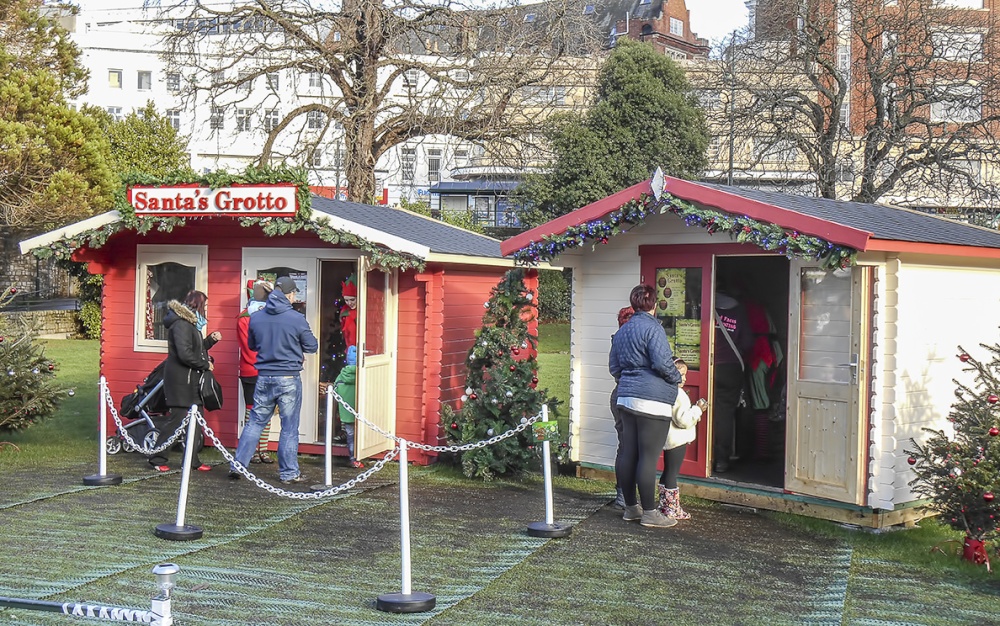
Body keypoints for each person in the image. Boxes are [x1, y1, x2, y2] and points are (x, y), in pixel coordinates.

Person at [608, 284, 683, 529]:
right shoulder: (654, 329)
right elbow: (662, 363)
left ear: (634, 303)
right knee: (648, 458)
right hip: (653, 401)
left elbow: (615, 368)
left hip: (626, 399)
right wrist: (677, 377)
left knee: (628, 453)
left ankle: (631, 508)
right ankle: (650, 513)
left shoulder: (622, 332)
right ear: (653, 304)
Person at [231, 276, 318, 484]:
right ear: (289, 294)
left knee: (254, 422)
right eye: (294, 293)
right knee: (289, 427)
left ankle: (237, 465)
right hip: (288, 377)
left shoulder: (257, 318)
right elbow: (312, 346)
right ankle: (288, 473)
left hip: (263, 377)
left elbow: (252, 345)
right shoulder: (296, 318)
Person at [150, 290, 220, 473]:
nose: (206, 309)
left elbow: (195, 349)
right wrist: (205, 365)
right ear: (197, 305)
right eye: (205, 305)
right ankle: (157, 458)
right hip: (181, 382)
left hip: (191, 380)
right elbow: (184, 354)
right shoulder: (181, 325)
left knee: (197, 421)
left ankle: (191, 460)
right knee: (176, 420)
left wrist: (210, 341)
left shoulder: (190, 324)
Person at [658, 358, 707, 520]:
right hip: (677, 439)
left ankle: (664, 505)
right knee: (672, 472)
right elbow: (683, 420)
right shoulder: (677, 394)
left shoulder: (664, 390)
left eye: (685, 375)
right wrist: (697, 409)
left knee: (667, 471)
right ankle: (672, 509)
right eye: (681, 374)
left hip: (667, 437)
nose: (685, 379)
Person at [712, 284, 753, 474]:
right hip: (730, 367)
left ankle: (701, 457)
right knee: (725, 414)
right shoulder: (738, 309)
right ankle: (721, 460)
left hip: (705, 366)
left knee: (699, 410)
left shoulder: (705, 305)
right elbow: (747, 342)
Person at [237, 279, 275, 464]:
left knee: (268, 409)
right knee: (252, 410)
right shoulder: (244, 318)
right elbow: (249, 347)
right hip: (252, 370)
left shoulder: (268, 315)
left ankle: (263, 449)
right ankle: (251, 450)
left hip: (267, 369)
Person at [610, 305, 635, 510]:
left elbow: (614, 369)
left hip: (618, 394)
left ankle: (622, 493)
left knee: (624, 446)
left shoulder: (617, 340)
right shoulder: (630, 340)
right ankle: (626, 494)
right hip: (629, 397)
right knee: (631, 447)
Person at [331, 345, 363, 468]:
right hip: (361, 411)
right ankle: (361, 455)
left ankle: (353, 458)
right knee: (360, 433)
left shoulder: (341, 376)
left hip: (346, 412)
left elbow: (335, 391)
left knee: (350, 435)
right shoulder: (363, 375)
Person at [339, 274, 358, 348]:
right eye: (346, 300)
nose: (349, 303)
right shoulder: (345, 312)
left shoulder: (365, 312)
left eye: (352, 299)